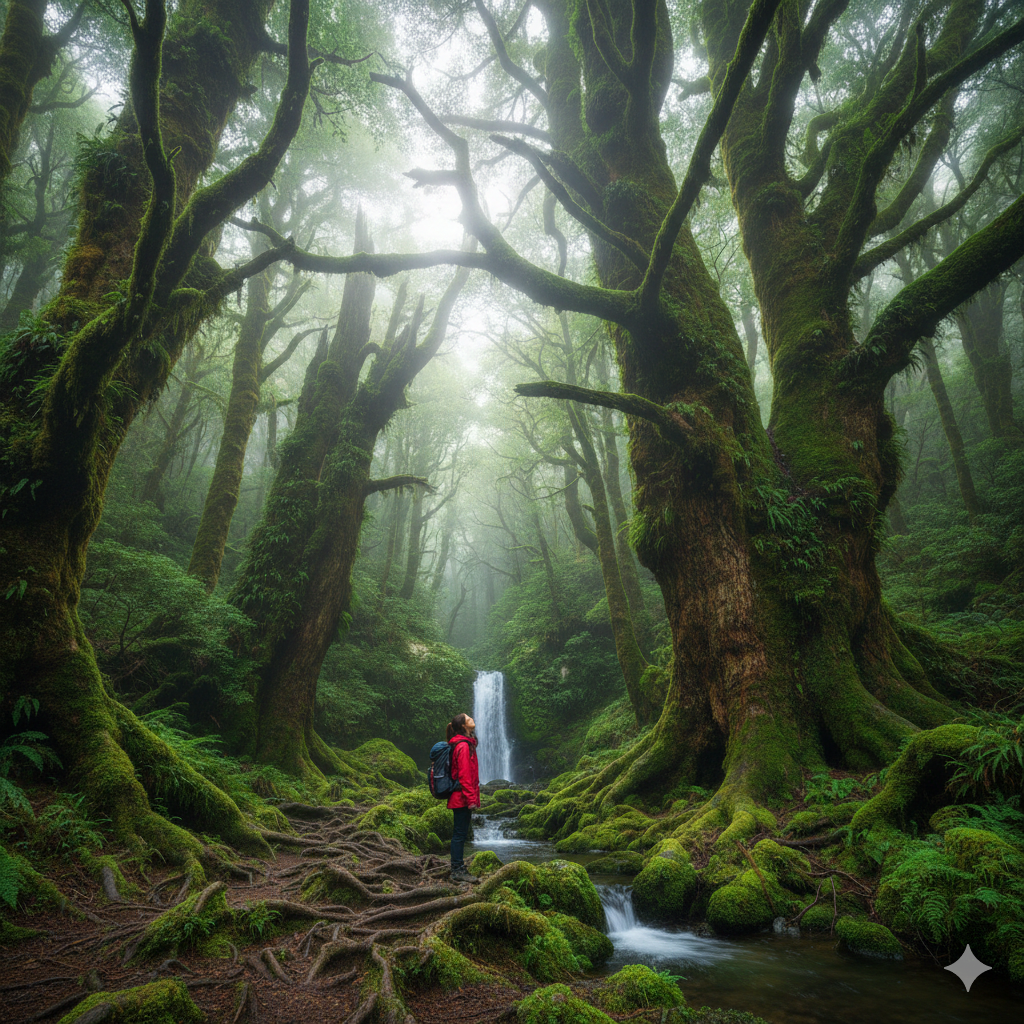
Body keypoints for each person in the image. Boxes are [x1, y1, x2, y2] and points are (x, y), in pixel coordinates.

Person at [447, 712, 480, 883]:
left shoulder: (466, 744)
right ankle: (457, 870)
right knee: (459, 834)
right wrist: (471, 799)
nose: (471, 718)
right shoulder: (463, 746)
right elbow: (465, 775)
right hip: (461, 798)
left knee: (460, 833)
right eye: (468, 719)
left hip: (462, 796)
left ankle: (458, 866)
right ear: (463, 726)